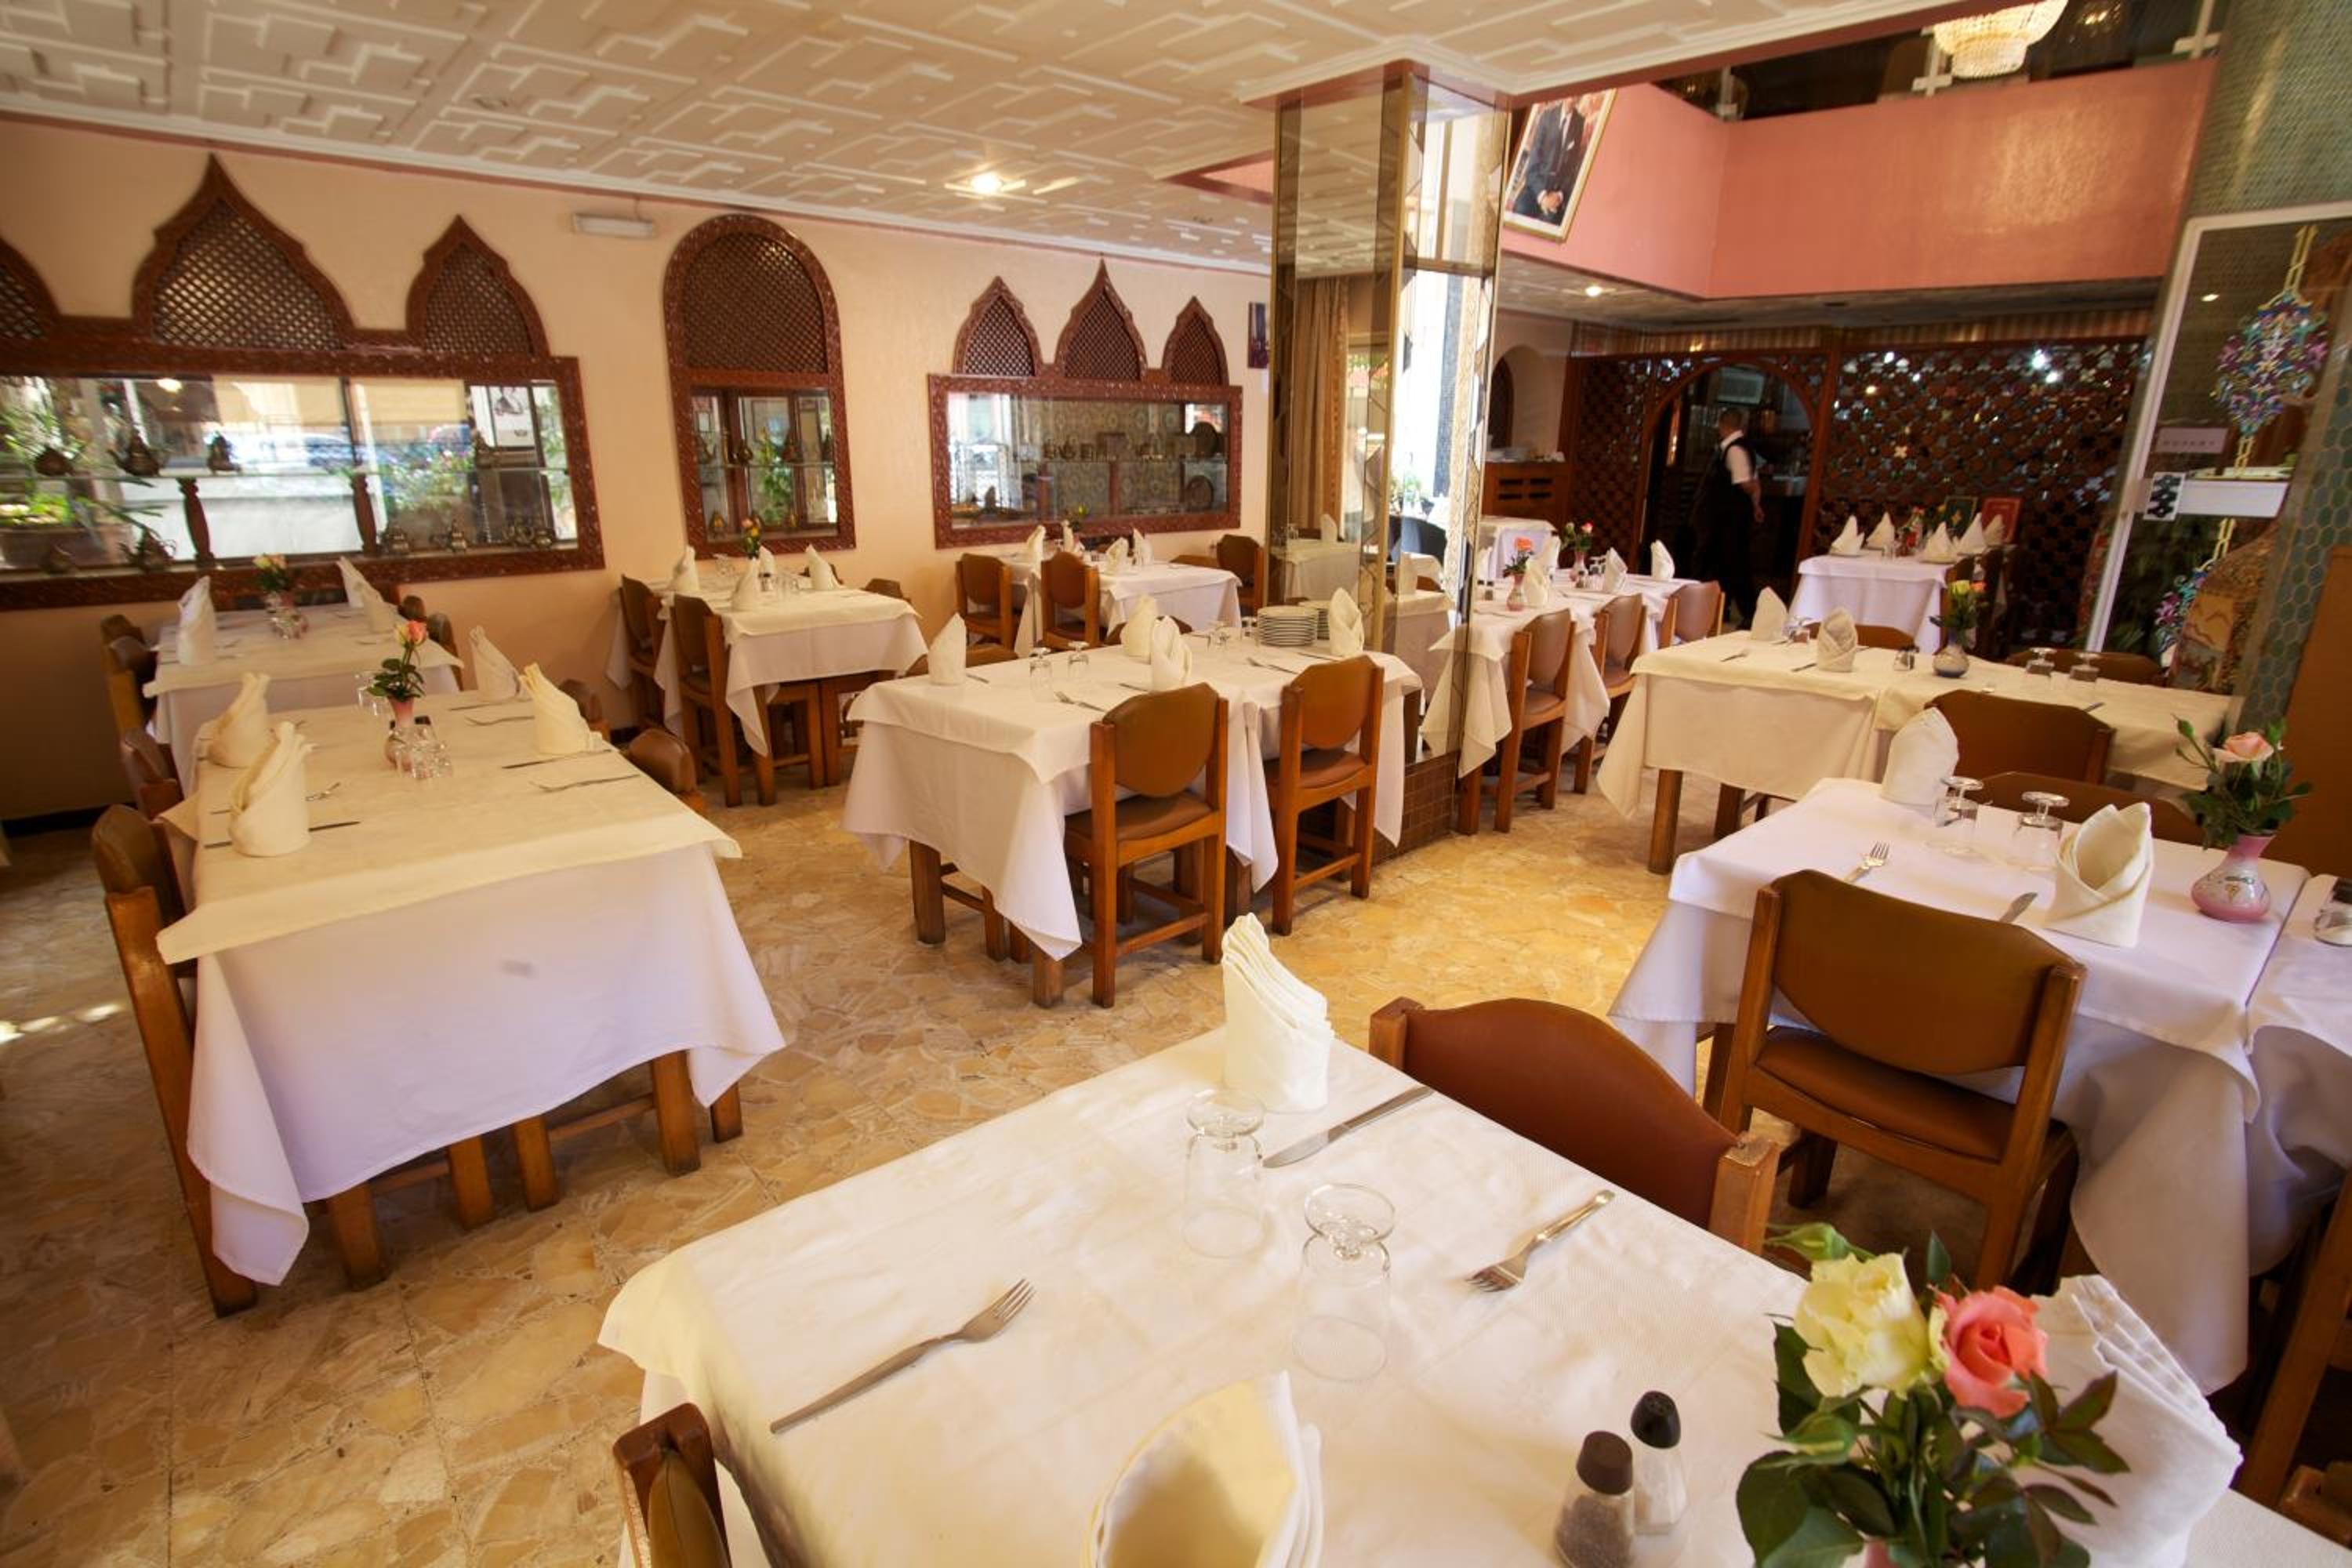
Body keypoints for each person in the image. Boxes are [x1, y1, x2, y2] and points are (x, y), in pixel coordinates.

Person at [1690, 408, 1763, 625]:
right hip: (1728, 518)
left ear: (1723, 426)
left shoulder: (1735, 450)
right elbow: (1756, 481)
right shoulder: (1741, 447)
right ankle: (1722, 608)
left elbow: (1746, 483)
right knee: (1722, 564)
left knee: (1734, 563)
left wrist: (1752, 496)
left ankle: (1750, 612)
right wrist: (1756, 505)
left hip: (1729, 519)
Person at [1508, 100, 1588, 226]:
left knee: (1552, 223)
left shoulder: (1579, 122)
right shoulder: (1547, 116)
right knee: (1520, 211)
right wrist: (1543, 197)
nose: (1572, 98)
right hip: (1535, 188)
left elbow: (1572, 169)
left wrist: (1560, 195)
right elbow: (1533, 164)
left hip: (1556, 193)